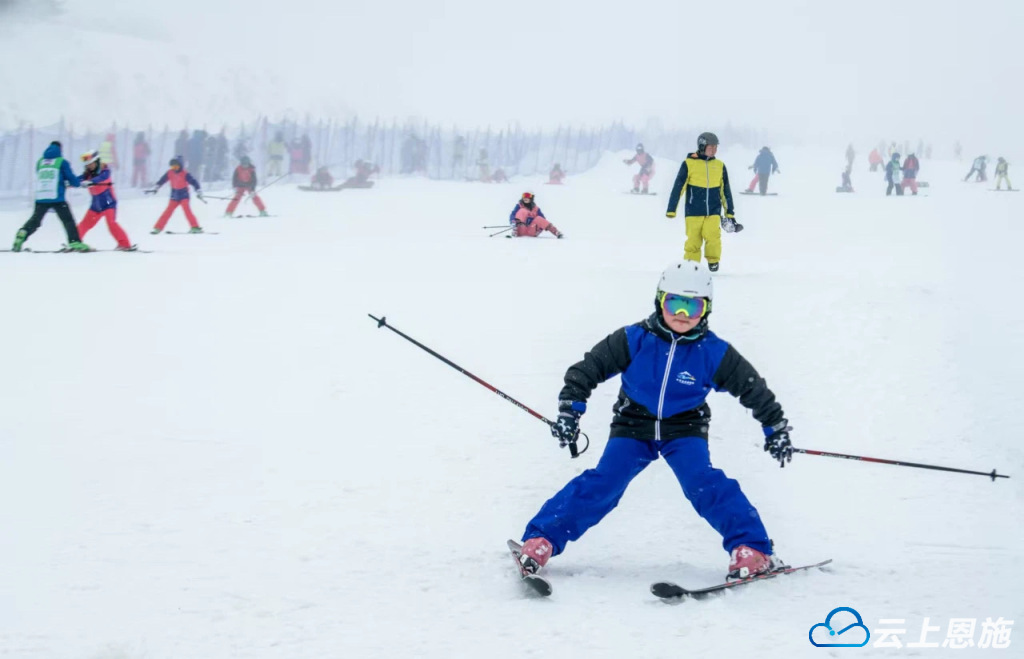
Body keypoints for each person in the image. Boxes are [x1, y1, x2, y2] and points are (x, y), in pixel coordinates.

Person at [517, 261, 793, 581]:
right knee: (604, 481)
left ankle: (751, 548)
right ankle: (543, 539)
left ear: (706, 309)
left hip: (684, 427)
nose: (682, 313)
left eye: (693, 306)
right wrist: (570, 411)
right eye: (674, 302)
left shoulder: (712, 352)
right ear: (660, 301)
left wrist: (776, 428)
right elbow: (587, 369)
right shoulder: (634, 339)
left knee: (703, 482)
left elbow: (753, 389)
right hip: (633, 423)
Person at [665, 132, 739, 273]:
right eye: (710, 147)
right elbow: (678, 187)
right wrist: (671, 209)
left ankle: (713, 260)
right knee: (693, 240)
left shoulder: (719, 166)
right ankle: (691, 265)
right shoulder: (689, 164)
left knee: (713, 235)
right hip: (693, 210)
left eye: (715, 147)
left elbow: (725, 191)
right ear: (702, 146)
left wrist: (729, 212)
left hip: (713, 210)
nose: (714, 150)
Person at [11, 141, 91, 252]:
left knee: (35, 220)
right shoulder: (62, 162)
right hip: (56, 197)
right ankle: (75, 242)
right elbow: (71, 178)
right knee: (67, 220)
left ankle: (23, 233)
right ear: (60, 149)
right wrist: (79, 183)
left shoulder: (40, 162)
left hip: (41, 196)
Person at [76, 150, 134, 250]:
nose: (89, 166)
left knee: (111, 223)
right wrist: (68, 182)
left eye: (91, 163)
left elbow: (103, 177)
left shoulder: (105, 171)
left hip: (108, 203)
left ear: (97, 161)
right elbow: (76, 180)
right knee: (84, 224)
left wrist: (91, 182)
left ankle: (125, 244)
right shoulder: (87, 174)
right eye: (87, 165)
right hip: (95, 205)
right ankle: (75, 243)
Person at [145, 156, 204, 234]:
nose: (174, 168)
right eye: (172, 166)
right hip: (174, 196)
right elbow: (161, 181)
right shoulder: (170, 172)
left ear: (180, 165)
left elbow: (194, 182)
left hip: (184, 195)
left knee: (187, 211)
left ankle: (195, 227)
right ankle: (158, 228)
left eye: (176, 166)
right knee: (167, 212)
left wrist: (198, 191)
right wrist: (156, 188)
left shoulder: (185, 173)